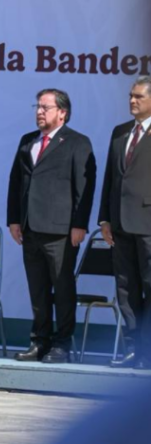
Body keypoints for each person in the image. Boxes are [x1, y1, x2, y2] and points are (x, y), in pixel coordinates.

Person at [6, 89, 96, 364]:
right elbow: (15, 183)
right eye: (38, 107)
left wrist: (79, 224)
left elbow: (85, 186)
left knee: (63, 288)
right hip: (30, 228)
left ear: (62, 113)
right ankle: (39, 341)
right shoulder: (27, 141)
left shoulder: (77, 143)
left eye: (45, 107)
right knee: (38, 289)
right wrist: (14, 219)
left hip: (60, 230)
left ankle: (62, 343)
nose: (39, 112)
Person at [99, 76, 151, 369]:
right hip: (120, 224)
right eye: (131, 96)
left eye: (139, 97)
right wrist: (105, 217)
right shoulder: (120, 133)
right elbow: (111, 177)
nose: (132, 101)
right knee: (126, 289)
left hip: (148, 223)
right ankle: (134, 350)